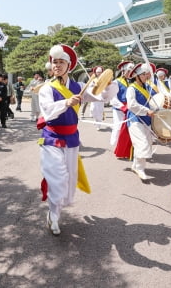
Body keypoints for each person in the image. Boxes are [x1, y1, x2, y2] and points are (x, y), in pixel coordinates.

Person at [38, 44, 117, 236]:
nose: (56, 65)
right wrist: (66, 102)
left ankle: (54, 214)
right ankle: (54, 216)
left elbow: (102, 97)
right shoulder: (46, 88)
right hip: (52, 137)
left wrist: (107, 82)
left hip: (72, 138)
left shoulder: (80, 87)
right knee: (57, 177)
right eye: (54, 62)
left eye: (61, 62)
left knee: (68, 181)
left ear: (69, 65)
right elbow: (47, 111)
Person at [126, 63, 156, 180]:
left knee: (147, 143)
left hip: (146, 119)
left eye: (146, 74)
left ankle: (135, 165)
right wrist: (146, 110)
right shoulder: (131, 88)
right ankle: (140, 169)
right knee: (142, 144)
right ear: (137, 76)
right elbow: (131, 105)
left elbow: (152, 101)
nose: (146, 76)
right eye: (144, 74)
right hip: (135, 120)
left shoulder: (147, 87)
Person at [110, 61, 134, 146]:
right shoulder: (116, 82)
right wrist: (122, 106)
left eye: (131, 72)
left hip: (129, 107)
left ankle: (125, 146)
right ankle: (116, 144)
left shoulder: (130, 82)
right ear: (123, 71)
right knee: (118, 127)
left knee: (128, 127)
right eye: (128, 71)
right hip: (119, 108)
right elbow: (113, 98)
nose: (130, 73)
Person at [89, 66, 106, 130]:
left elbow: (106, 88)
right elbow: (89, 87)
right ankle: (95, 119)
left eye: (100, 72)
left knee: (99, 111)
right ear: (95, 73)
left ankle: (98, 125)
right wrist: (93, 85)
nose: (99, 73)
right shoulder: (93, 79)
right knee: (92, 110)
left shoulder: (104, 80)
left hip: (101, 97)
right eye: (98, 72)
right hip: (94, 97)